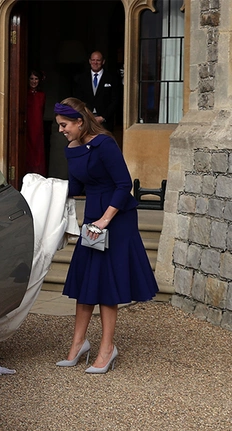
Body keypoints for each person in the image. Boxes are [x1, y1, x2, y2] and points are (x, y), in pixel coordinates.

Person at [53, 97, 157, 374]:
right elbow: (76, 187)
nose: (61, 130)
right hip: (93, 218)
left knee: (106, 283)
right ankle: (78, 344)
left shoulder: (105, 144)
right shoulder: (72, 148)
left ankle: (107, 348)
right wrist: (44, 190)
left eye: (64, 125)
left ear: (79, 122)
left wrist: (105, 220)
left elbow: (124, 185)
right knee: (87, 280)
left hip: (116, 218)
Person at [71, 51, 121, 133]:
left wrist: (103, 117)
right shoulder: (81, 78)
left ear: (103, 61)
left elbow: (115, 100)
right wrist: (84, 116)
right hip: (86, 119)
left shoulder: (111, 78)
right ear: (89, 61)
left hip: (105, 121)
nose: (95, 63)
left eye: (98, 60)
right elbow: (78, 99)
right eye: (93, 60)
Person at [26, 70, 46, 176]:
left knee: (38, 149)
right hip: (27, 125)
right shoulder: (24, 94)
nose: (34, 81)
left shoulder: (42, 95)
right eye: (31, 79)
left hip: (38, 125)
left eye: (36, 79)